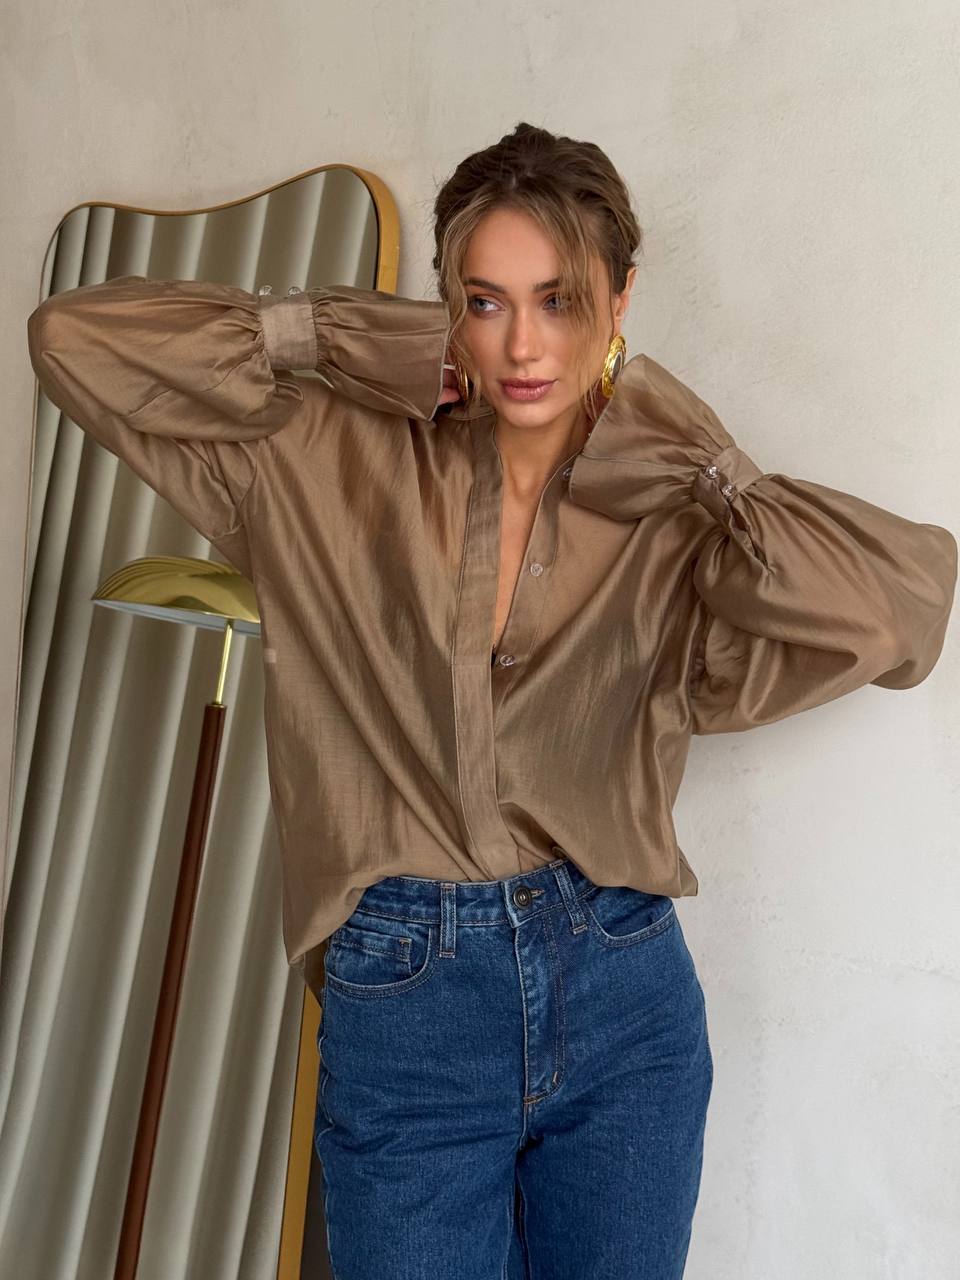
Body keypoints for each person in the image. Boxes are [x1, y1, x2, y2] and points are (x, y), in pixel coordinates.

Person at [26, 122, 957, 1279]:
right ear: (446, 307)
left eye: (561, 299)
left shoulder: (674, 520)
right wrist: (349, 336)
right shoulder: (313, 454)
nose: (523, 343)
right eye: (484, 299)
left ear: (621, 298)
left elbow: (900, 611)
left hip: (623, 983)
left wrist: (695, 447)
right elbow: (73, 339)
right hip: (406, 1002)